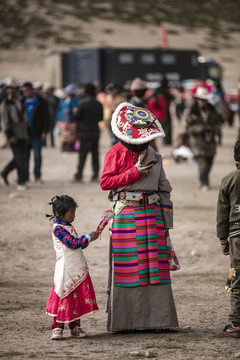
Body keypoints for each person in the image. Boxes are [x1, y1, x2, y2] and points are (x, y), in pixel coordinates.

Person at [100, 102, 179, 332]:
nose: (144, 142)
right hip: (126, 214)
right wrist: (134, 173)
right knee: (129, 268)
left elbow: (164, 188)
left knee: (154, 267)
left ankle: (158, 321)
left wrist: (167, 225)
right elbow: (105, 183)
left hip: (153, 216)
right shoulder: (115, 153)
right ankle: (126, 322)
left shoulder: (155, 155)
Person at [46, 195, 99, 340]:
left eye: (74, 213)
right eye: (71, 214)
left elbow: (77, 245)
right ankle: (57, 327)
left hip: (75, 266)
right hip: (65, 269)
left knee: (76, 297)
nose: (74, 216)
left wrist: (90, 239)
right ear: (60, 214)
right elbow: (72, 243)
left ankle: (75, 326)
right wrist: (88, 237)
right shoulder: (58, 229)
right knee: (63, 294)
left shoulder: (67, 226)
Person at [216, 140, 240, 338]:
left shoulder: (228, 180)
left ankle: (237, 323)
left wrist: (223, 239)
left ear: (235, 158)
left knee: (236, 277)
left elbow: (222, 213)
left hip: (236, 237)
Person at [185, 86, 222, 191]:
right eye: (201, 99)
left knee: (210, 161)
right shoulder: (192, 112)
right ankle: (204, 182)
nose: (203, 101)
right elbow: (189, 128)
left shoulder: (213, 110)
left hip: (210, 142)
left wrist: (212, 129)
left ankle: (205, 179)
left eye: (205, 99)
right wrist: (202, 128)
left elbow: (218, 125)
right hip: (198, 142)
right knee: (203, 163)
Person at [0, 78, 29, 190]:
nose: (11, 90)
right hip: (13, 135)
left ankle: (5, 171)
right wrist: (10, 135)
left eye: (13, 88)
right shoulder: (5, 103)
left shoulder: (21, 100)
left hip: (23, 133)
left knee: (19, 158)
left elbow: (25, 117)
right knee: (20, 158)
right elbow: (5, 121)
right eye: (9, 88)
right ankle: (21, 181)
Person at [74, 83, 103, 182]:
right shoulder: (98, 104)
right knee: (95, 154)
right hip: (95, 131)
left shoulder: (82, 103)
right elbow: (101, 118)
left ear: (85, 92)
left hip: (84, 131)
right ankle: (95, 174)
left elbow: (77, 117)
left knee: (82, 154)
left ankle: (79, 174)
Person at [21, 82, 49, 182]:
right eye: (23, 91)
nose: (24, 93)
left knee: (37, 156)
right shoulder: (22, 102)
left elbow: (46, 118)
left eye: (26, 91)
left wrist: (45, 131)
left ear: (31, 90)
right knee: (25, 157)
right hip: (25, 134)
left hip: (37, 133)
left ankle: (37, 175)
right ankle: (25, 176)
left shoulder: (41, 102)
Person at [55, 84, 78, 152]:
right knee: (63, 135)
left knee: (71, 135)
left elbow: (76, 111)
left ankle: (71, 148)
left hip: (72, 120)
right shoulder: (62, 101)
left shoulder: (75, 101)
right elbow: (59, 110)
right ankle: (64, 148)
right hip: (63, 120)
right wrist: (57, 119)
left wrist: (71, 111)